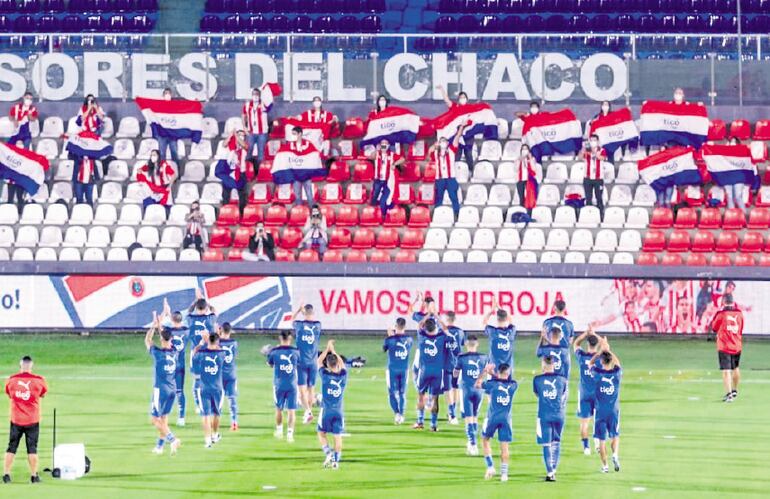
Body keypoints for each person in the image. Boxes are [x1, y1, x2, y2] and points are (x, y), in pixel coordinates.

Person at [3, 355, 47, 484]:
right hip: (32, 420)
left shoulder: (11, 380)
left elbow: (9, 394)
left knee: (11, 447)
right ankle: (34, 476)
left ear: (20, 366)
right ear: (31, 366)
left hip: (16, 420)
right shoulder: (39, 381)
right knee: (32, 448)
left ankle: (6, 475)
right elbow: (43, 393)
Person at [144, 311, 182, 456]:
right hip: (173, 389)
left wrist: (153, 327)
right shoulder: (175, 352)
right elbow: (164, 336)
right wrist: (159, 326)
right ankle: (159, 447)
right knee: (164, 419)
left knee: (155, 419)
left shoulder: (158, 354)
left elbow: (147, 340)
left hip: (160, 389)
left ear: (161, 339)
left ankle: (172, 439)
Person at [477, 362, 517, 482]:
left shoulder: (492, 384)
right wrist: (494, 374)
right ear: (508, 373)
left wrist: (485, 371)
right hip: (506, 419)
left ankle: (490, 467)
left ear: (498, 372)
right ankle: (504, 474)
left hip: (492, 417)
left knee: (485, 439)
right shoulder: (513, 385)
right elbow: (504, 380)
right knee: (504, 447)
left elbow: (477, 384)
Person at [413, 317, 454, 432]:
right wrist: (437, 316)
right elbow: (447, 331)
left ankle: (420, 421)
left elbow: (419, 325)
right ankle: (433, 425)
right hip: (437, 372)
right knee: (435, 398)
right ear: (436, 327)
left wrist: (428, 314)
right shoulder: (441, 337)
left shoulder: (422, 337)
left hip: (424, 371)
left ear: (425, 328)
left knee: (421, 395)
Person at [533, 355, 568, 482]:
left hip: (544, 415)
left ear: (543, 365)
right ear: (554, 365)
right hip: (559, 414)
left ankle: (550, 472)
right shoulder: (562, 379)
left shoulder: (537, 380)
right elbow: (563, 394)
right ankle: (554, 468)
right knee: (556, 442)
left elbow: (537, 394)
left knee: (546, 444)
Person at [453, 334, 488, 456]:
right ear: (477, 344)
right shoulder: (484, 357)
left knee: (468, 417)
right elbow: (486, 372)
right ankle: (472, 443)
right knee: (475, 416)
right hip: (479, 390)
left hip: (466, 389)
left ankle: (472, 444)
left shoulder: (461, 358)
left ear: (466, 344)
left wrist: (454, 381)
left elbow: (456, 373)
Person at [590, 336, 622, 473]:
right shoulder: (616, 373)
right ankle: (615, 454)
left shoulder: (597, 373)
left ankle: (605, 466)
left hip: (600, 411)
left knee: (601, 440)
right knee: (615, 435)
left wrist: (599, 352)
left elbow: (590, 364)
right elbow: (618, 363)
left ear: (601, 361)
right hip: (614, 410)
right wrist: (608, 350)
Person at [426, 123, 468, 220]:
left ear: (447, 143)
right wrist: (433, 146)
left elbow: (457, 137)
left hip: (450, 178)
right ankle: (437, 215)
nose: (443, 143)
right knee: (439, 198)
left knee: (453, 197)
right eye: (441, 141)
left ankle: (457, 214)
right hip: (439, 179)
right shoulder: (435, 153)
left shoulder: (452, 150)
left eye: (444, 141)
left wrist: (461, 128)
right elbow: (428, 156)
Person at [317, 340, 348, 469]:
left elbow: (318, 361)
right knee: (337, 436)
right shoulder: (343, 375)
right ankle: (336, 461)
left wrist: (327, 348)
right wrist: (334, 350)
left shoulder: (325, 375)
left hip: (326, 411)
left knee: (321, 433)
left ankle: (328, 452)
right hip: (339, 412)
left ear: (328, 365)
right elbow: (342, 364)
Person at [192, 331, 225, 448]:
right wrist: (212, 340)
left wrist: (202, 342)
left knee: (205, 415)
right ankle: (215, 435)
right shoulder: (222, 353)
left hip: (203, 388)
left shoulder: (201, 353)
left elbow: (193, 354)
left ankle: (207, 441)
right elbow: (219, 347)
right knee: (217, 413)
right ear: (217, 341)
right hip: (218, 389)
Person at [160, 298, 190, 427]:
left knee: (165, 389)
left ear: (172, 320)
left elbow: (159, 324)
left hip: (169, 364)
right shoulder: (187, 331)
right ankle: (181, 417)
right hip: (180, 364)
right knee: (180, 391)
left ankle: (162, 414)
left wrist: (165, 311)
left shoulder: (168, 331)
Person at [709, 293, 744, 402]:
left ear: (723, 301)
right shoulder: (740, 314)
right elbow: (741, 328)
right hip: (737, 345)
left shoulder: (721, 314)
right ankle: (734, 391)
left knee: (726, 370)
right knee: (736, 368)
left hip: (725, 346)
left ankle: (729, 394)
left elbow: (714, 327)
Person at [267, 330, 300, 443]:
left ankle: (279, 431)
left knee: (279, 408)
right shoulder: (296, 352)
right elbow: (298, 364)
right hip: (292, 384)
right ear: (290, 339)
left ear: (280, 338)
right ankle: (290, 434)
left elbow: (270, 364)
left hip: (279, 385)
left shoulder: (274, 352)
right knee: (291, 410)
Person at [186, 292, 217, 413]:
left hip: (196, 352)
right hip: (209, 352)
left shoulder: (191, 319)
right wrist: (205, 301)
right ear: (205, 308)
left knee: (197, 380)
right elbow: (214, 310)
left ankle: (198, 405)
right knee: (210, 379)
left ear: (196, 308)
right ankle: (211, 403)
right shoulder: (210, 319)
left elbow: (188, 311)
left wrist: (196, 301)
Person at [573, 328, 601, 455]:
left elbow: (575, 344)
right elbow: (606, 346)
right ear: (597, 344)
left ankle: (586, 448)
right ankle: (597, 443)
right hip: (597, 394)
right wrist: (595, 334)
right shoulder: (600, 359)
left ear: (588, 344)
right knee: (598, 420)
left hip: (584, 393)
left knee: (584, 423)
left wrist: (586, 333)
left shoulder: (582, 356)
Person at [293, 303, 322, 424]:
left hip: (302, 362)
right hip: (313, 362)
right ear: (313, 313)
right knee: (311, 389)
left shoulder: (299, 325)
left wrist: (299, 309)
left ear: (304, 313)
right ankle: (308, 413)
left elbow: (292, 319)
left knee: (302, 390)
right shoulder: (318, 325)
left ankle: (308, 411)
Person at [383, 318, 413, 425]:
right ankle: (402, 414)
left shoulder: (390, 340)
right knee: (402, 393)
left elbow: (384, 348)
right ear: (404, 327)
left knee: (392, 393)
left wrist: (390, 336)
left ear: (395, 326)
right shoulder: (409, 339)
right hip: (404, 369)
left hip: (392, 369)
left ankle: (396, 414)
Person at [437, 84, 474, 170]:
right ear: (458, 100)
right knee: (457, 155)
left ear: (467, 99)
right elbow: (447, 101)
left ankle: (471, 172)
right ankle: (455, 172)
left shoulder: (472, 109)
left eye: (464, 97)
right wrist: (442, 89)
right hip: (456, 136)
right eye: (461, 97)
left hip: (468, 137)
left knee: (468, 155)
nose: (462, 99)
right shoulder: (455, 108)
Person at [367, 138, 405, 218]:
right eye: (382, 143)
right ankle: (374, 215)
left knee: (384, 200)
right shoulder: (377, 154)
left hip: (387, 181)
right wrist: (377, 150)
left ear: (388, 145)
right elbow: (370, 157)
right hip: (378, 180)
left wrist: (394, 164)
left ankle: (384, 214)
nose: (384, 145)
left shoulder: (391, 154)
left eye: (386, 143)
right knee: (374, 199)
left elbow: (402, 159)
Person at [219, 130, 251, 215]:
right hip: (229, 172)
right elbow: (223, 144)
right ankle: (225, 213)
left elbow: (244, 145)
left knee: (242, 195)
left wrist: (237, 136)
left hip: (241, 172)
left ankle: (241, 213)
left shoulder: (245, 145)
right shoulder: (230, 146)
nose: (240, 136)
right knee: (225, 194)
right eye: (238, 134)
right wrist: (230, 135)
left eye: (242, 135)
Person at [137, 149, 177, 215]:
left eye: (154, 155)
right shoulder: (149, 164)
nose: (153, 157)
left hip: (164, 188)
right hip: (154, 189)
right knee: (149, 204)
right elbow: (141, 170)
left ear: (158, 156)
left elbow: (174, 175)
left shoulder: (164, 165)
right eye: (151, 155)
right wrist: (139, 171)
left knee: (164, 208)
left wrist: (170, 185)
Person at [482, 297, 517, 374]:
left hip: (494, 370)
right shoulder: (511, 332)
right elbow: (511, 320)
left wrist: (492, 310)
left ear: (497, 319)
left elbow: (484, 322)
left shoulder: (493, 332)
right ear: (506, 318)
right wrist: (499, 307)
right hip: (508, 369)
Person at [443, 310, 465, 425]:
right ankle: (453, 411)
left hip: (446, 363)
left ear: (446, 319)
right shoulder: (460, 332)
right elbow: (461, 345)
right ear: (454, 319)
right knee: (455, 387)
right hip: (458, 364)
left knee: (448, 389)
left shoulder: (442, 332)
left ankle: (452, 414)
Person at [242, 86, 270, 170]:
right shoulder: (247, 105)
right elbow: (243, 115)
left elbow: (269, 106)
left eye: (257, 94)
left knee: (261, 152)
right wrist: (244, 127)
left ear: (260, 95)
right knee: (248, 150)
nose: (255, 96)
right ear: (251, 95)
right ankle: (248, 170)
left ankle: (259, 172)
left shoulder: (264, 104)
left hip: (262, 133)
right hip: (251, 132)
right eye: (254, 94)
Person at [218, 322, 239, 431]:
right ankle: (234, 422)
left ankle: (216, 421)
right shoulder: (234, 343)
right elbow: (234, 355)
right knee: (232, 399)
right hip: (231, 374)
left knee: (218, 399)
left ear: (221, 329)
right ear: (230, 331)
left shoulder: (217, 343)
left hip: (219, 375)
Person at [288, 126, 315, 206]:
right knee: (297, 197)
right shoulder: (290, 145)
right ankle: (299, 214)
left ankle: (312, 213)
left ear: (300, 134)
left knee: (309, 196)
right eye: (292, 134)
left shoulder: (308, 144)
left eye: (294, 134)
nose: (292, 136)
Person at [583, 134, 607, 220]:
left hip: (598, 179)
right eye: (591, 140)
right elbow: (580, 157)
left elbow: (601, 158)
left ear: (597, 141)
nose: (593, 142)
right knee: (588, 197)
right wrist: (584, 149)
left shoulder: (602, 150)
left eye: (594, 140)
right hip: (587, 178)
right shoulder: (586, 151)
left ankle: (600, 216)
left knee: (599, 198)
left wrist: (593, 152)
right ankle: (588, 216)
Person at [155, 87, 180, 164]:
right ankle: (162, 172)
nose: (167, 95)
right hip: (162, 134)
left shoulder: (175, 106)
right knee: (162, 154)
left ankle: (176, 173)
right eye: (166, 94)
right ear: (163, 95)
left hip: (172, 134)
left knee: (174, 153)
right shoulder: (159, 106)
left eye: (169, 94)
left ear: (171, 95)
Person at [515, 144, 538, 213]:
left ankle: (529, 214)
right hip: (521, 181)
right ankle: (522, 214)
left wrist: (530, 159)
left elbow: (534, 169)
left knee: (529, 199)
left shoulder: (532, 159)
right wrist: (519, 160)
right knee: (521, 198)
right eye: (523, 149)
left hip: (530, 181)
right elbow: (515, 169)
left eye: (526, 149)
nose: (524, 151)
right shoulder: (518, 159)